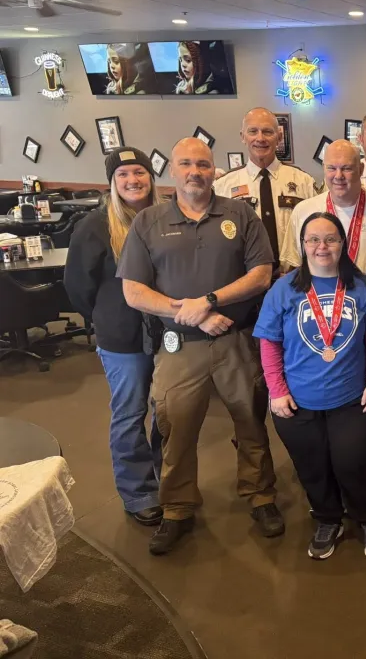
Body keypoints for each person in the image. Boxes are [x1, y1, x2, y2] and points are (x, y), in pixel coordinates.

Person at [118, 137, 283, 555]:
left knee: (250, 421)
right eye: (187, 164)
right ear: (172, 170)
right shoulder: (149, 222)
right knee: (175, 429)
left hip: (237, 340)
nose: (196, 171)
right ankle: (176, 509)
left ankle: (260, 495)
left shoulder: (239, 213)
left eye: (204, 164)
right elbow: (134, 292)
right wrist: (188, 312)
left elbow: (262, 273)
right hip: (178, 344)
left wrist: (211, 301)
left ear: (215, 170)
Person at [254, 212, 366, 560]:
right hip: (298, 402)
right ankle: (328, 517)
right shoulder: (284, 290)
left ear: (342, 243)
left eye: (330, 238)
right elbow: (268, 342)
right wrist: (276, 390)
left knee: (353, 463)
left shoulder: (360, 288)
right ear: (302, 245)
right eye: (312, 239)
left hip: (351, 399)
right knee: (311, 467)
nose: (321, 246)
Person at [64, 147, 163, 526]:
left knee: (169, 412)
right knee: (131, 412)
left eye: (139, 172)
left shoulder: (165, 219)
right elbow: (77, 287)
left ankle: (169, 481)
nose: (133, 180)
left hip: (169, 335)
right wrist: (107, 318)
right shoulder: (94, 226)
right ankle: (138, 492)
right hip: (122, 341)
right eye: (124, 175)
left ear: (151, 177)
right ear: (112, 182)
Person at [214, 107, 318, 275]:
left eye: (268, 132)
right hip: (244, 281)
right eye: (253, 131)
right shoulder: (223, 186)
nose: (260, 138)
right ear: (243, 137)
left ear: (279, 137)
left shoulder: (303, 181)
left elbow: (318, 228)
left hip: (295, 278)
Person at [280, 140, 366, 273]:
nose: (338, 176)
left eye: (347, 168)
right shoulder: (303, 211)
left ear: (361, 169)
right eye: (331, 168)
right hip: (318, 294)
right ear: (324, 168)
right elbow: (292, 267)